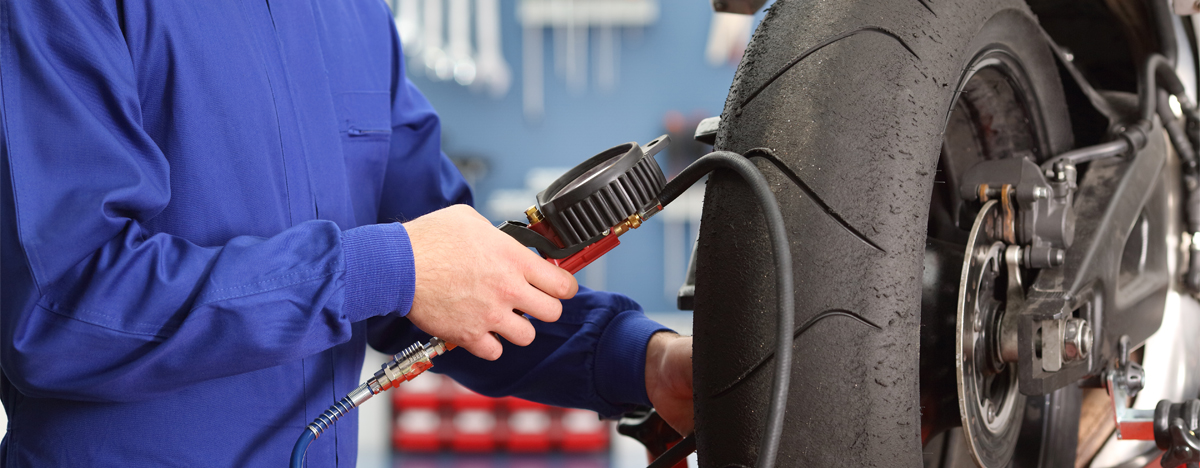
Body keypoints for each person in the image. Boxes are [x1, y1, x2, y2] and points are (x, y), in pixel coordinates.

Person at [0, 1, 693, 466]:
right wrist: (380, 268)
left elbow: (459, 279)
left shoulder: (352, 14)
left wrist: (646, 363)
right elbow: (61, 309)